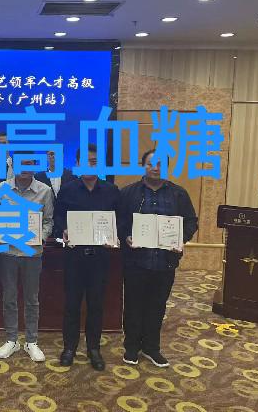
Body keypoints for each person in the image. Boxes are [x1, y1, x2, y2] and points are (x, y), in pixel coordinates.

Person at [119, 149, 198, 368]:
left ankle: (152, 347)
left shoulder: (179, 194)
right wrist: (126, 236)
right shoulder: (129, 193)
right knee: (133, 305)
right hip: (136, 261)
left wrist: (181, 238)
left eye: (160, 164)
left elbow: (191, 221)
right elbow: (120, 221)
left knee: (157, 305)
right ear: (143, 166)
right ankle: (131, 347)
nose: (155, 168)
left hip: (165, 261)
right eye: (150, 164)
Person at [54, 144, 120, 371]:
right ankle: (69, 348)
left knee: (96, 305)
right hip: (74, 257)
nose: (90, 166)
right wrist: (62, 230)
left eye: (94, 162)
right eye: (85, 162)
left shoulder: (111, 191)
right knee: (71, 304)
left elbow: (120, 221)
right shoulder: (67, 190)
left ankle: (94, 348)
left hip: (100, 258)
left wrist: (115, 236)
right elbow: (58, 217)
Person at [0, 155, 54, 362]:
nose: (25, 168)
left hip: (32, 253)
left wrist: (41, 237)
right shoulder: (1, 188)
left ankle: (31, 341)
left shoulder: (45, 191)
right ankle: (12, 339)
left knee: (32, 299)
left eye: (30, 164)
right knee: (9, 298)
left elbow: (48, 221)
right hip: (7, 253)